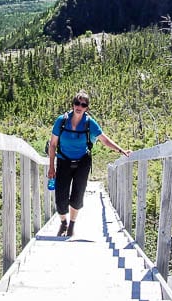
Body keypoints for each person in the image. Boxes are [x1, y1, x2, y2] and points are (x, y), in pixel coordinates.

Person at [47, 90, 130, 237]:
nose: (79, 106)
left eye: (83, 104)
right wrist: (51, 167)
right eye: (77, 103)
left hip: (82, 162)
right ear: (72, 104)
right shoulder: (62, 120)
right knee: (60, 198)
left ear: (87, 107)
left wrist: (121, 150)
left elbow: (104, 139)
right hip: (63, 160)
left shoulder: (89, 122)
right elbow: (53, 144)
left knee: (77, 195)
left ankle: (72, 224)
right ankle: (63, 222)